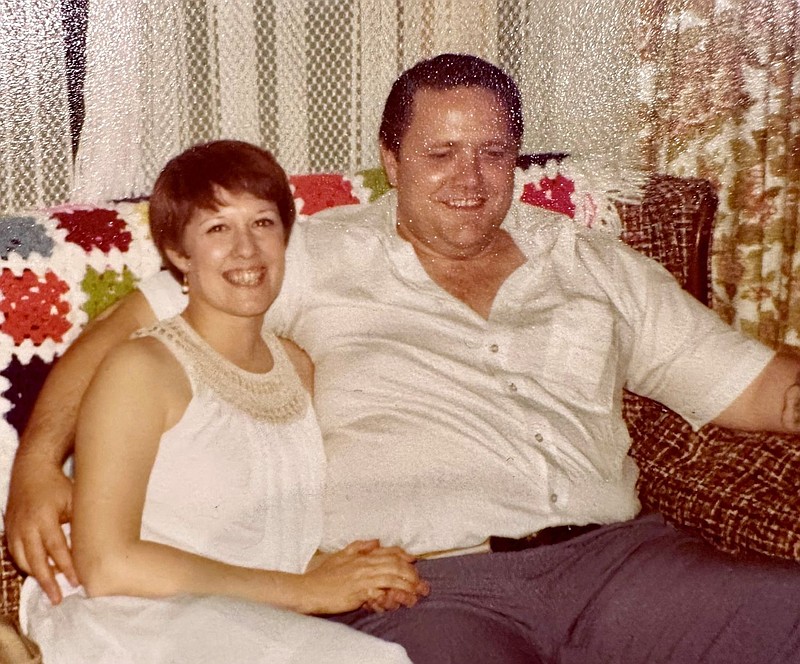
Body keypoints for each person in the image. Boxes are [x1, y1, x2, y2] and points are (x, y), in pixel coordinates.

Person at [7, 54, 800, 663]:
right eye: (441, 152)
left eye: (493, 152)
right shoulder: (303, 255)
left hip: (622, 567)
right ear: (391, 158)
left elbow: (762, 390)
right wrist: (37, 463)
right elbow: (124, 335)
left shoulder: (594, 262)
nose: (471, 179)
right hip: (431, 591)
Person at [16, 140, 423, 663]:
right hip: (131, 618)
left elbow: (260, 534)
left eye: (262, 223)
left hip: (245, 619)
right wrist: (305, 590)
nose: (246, 250)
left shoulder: (300, 371)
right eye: (217, 228)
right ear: (179, 254)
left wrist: (350, 573)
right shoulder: (142, 369)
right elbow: (107, 564)